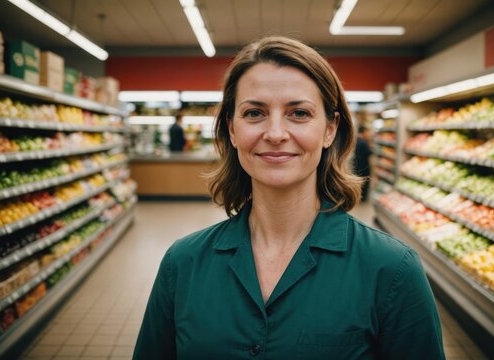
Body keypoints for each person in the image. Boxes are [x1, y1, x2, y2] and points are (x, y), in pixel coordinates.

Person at [133, 36, 445, 359]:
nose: (276, 133)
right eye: (255, 113)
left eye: (299, 113)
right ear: (231, 129)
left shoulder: (392, 270)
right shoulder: (182, 264)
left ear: (330, 129)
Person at [353, 125, 373, 201]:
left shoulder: (358, 140)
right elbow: (369, 153)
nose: (368, 134)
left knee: (360, 183)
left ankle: (359, 197)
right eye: (367, 132)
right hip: (364, 167)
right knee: (364, 183)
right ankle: (362, 199)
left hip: (358, 166)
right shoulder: (363, 143)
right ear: (363, 132)